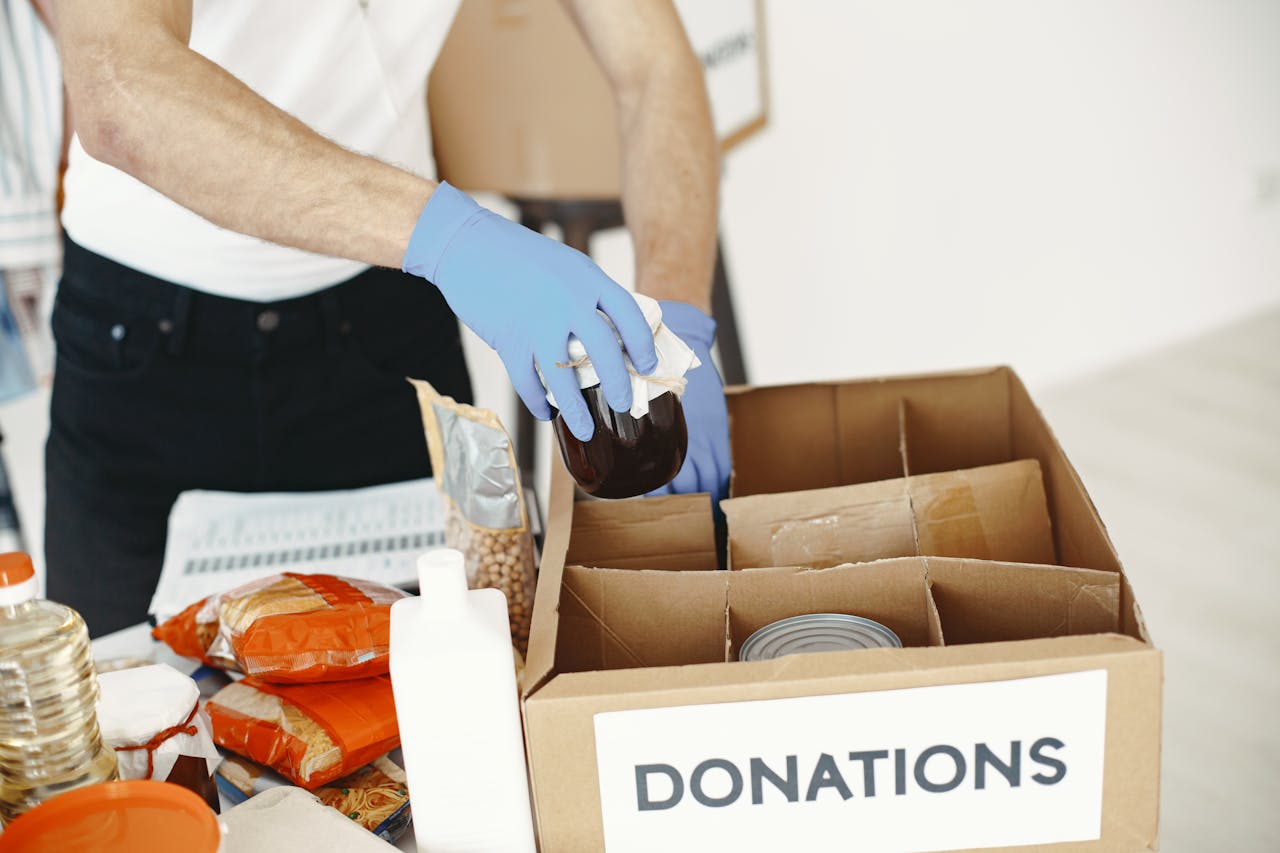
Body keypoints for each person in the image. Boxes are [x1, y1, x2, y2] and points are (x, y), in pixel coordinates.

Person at [44, 0, 730, 637]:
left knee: (463, 696)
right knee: (134, 734)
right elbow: (117, 78)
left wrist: (674, 316)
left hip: (387, 314)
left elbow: (653, 65)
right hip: (148, 348)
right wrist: (457, 240)